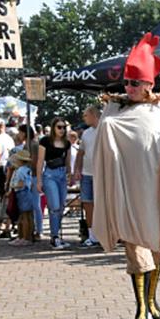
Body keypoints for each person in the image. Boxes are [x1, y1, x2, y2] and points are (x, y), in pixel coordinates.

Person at [90, 33, 160, 319]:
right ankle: (141, 308)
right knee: (135, 250)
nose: (129, 88)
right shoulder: (113, 110)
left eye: (136, 83)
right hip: (127, 192)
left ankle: (152, 300)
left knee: (158, 248)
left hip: (156, 190)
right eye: (127, 82)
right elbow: (103, 144)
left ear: (149, 83)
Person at [36, 116, 72, 250]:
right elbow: (40, 161)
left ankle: (56, 235)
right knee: (54, 206)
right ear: (53, 128)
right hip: (49, 174)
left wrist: (70, 174)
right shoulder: (45, 141)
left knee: (61, 206)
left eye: (64, 127)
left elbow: (68, 161)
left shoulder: (67, 143)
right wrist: (39, 180)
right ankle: (54, 236)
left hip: (62, 174)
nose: (62, 130)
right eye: (59, 127)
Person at [73, 105, 101, 248]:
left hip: (101, 175)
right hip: (87, 173)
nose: (84, 118)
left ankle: (105, 235)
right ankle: (92, 236)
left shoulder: (105, 130)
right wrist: (77, 169)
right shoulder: (86, 133)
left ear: (93, 115)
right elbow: (81, 152)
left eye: (85, 115)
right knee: (88, 204)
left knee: (102, 206)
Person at [8, 150, 35, 245]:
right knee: (28, 216)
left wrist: (12, 186)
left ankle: (24, 237)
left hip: (22, 193)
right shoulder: (27, 169)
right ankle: (27, 236)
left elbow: (21, 183)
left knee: (23, 216)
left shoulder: (20, 171)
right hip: (28, 193)